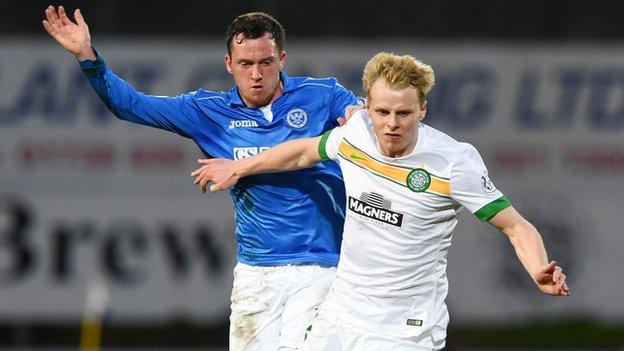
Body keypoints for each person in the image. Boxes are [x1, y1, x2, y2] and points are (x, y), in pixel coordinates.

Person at [191, 52, 571, 350]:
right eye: (382, 112)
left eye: (404, 113)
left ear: (422, 110)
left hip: (405, 327)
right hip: (342, 314)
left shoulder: (454, 162)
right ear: (366, 107)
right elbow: (303, 152)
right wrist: (240, 168)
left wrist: (538, 267)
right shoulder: (354, 135)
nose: (392, 123)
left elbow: (515, 225)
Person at [43, 6, 361, 351]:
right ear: (228, 64)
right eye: (245, 64)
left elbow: (360, 122)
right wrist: (87, 56)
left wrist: (358, 117)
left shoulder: (323, 94)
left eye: (266, 63)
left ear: (281, 58)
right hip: (257, 273)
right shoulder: (207, 111)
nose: (256, 74)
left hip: (322, 264)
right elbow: (130, 104)